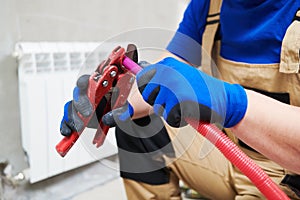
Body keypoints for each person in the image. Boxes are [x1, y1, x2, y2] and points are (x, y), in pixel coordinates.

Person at [60, 0, 300, 199]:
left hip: (287, 171)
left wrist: (232, 103)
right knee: (137, 125)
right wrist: (116, 101)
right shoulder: (209, 5)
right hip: (227, 153)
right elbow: (166, 76)